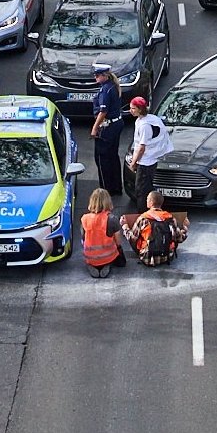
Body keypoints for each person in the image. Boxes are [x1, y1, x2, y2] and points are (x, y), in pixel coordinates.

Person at [127, 97, 173, 210]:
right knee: (146, 188)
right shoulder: (151, 119)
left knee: (141, 191)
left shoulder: (144, 126)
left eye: (133, 108)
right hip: (151, 160)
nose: (130, 110)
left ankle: (143, 213)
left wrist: (133, 163)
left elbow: (141, 147)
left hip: (145, 162)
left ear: (140, 109)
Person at [123, 191, 188, 267]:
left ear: (151, 202)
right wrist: (185, 228)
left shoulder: (143, 218)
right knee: (173, 235)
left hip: (147, 258)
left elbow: (131, 238)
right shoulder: (170, 218)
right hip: (167, 256)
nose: (146, 201)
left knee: (135, 236)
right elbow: (180, 238)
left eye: (147, 199)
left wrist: (125, 226)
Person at [89, 64, 124, 196]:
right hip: (117, 124)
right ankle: (116, 187)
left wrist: (94, 128)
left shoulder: (105, 90)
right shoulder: (113, 86)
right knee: (113, 156)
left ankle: (105, 190)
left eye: (97, 75)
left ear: (105, 76)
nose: (95, 77)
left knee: (102, 159)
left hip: (107, 127)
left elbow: (103, 111)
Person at [80, 188, 129, 277]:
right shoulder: (112, 219)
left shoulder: (85, 218)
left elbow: (83, 238)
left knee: (91, 255)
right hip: (108, 255)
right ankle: (107, 264)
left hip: (90, 256)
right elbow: (118, 242)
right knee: (118, 255)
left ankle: (92, 266)